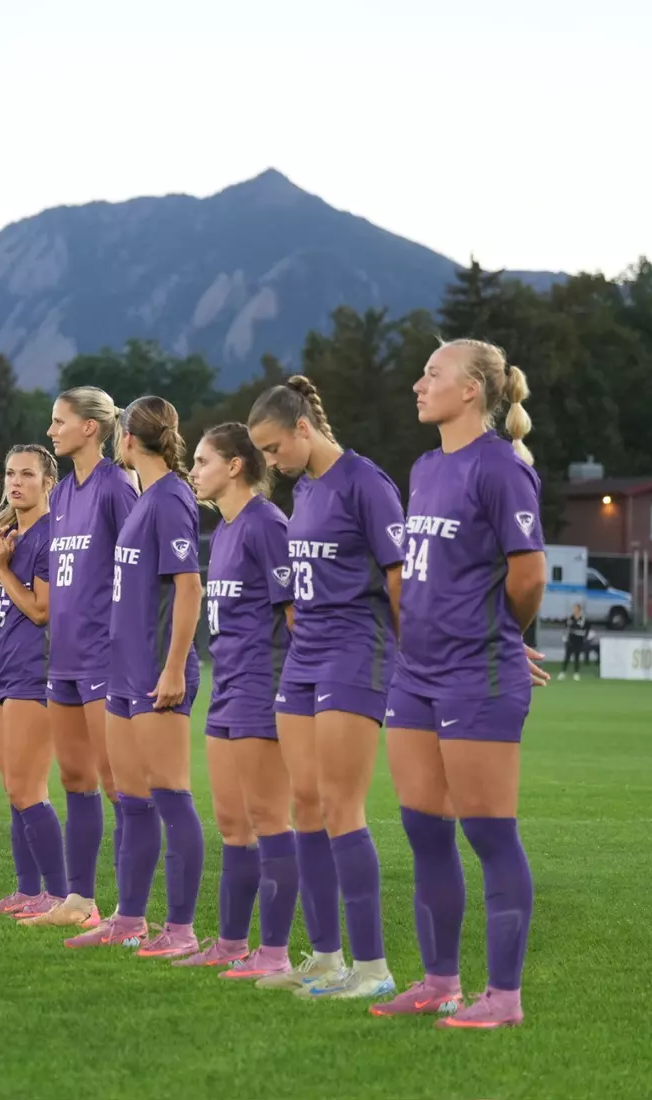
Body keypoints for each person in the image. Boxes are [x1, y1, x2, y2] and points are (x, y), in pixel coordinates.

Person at [370, 339, 546, 1029]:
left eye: (433, 375)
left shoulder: (501, 467)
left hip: (478, 673)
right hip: (413, 673)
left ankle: (503, 998)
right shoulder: (422, 467)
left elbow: (527, 575)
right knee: (423, 829)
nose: (419, 384)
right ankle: (440, 981)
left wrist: (498, 635)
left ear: (471, 390)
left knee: (489, 833)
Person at [247, 374, 405, 1000]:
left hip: (356, 654)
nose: (268, 461)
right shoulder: (307, 488)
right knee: (304, 808)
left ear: (303, 428)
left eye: (272, 447)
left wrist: (413, 658)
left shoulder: (366, 482)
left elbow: (400, 581)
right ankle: (326, 957)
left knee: (343, 807)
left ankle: (372, 969)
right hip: (304, 657)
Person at [65, 397, 204, 953]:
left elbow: (189, 587)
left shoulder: (171, 497)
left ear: (125, 440)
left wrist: (173, 668)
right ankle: (128, 919)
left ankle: (183, 930)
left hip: (155, 673)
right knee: (133, 798)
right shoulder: (146, 498)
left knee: (171, 795)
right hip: (121, 672)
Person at [182, 423, 301, 978]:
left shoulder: (266, 525)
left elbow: (297, 614)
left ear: (235, 466)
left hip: (264, 690)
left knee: (270, 819)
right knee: (231, 822)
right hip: (226, 690)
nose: (194, 470)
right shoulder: (225, 529)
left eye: (203, 461)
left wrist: (293, 692)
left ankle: (274, 953)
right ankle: (232, 943)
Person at [22, 387, 138, 930]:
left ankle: (128, 910)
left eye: (59, 421)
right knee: (74, 779)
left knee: (118, 784)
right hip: (62, 658)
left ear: (91, 428)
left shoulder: (118, 486)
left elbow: (138, 569)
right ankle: (80, 899)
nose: (52, 431)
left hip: (103, 658)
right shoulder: (64, 493)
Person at [0, 445, 61, 914]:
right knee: (14, 789)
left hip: (33, 670)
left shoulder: (50, 535)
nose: (15, 482)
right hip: (0, 668)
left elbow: (42, 611)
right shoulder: (7, 534)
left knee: (30, 788)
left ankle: (62, 894)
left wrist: (4, 569)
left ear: (49, 482)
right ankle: (28, 892)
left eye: (27, 474)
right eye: (9, 473)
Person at [563, 603, 589, 681]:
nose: (575, 610)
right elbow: (567, 628)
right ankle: (563, 672)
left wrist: (584, 637)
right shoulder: (570, 618)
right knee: (567, 657)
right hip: (570, 640)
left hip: (579, 641)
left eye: (576, 609)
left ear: (579, 609)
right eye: (574, 609)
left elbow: (586, 629)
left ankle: (576, 673)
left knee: (577, 657)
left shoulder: (583, 619)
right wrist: (565, 638)